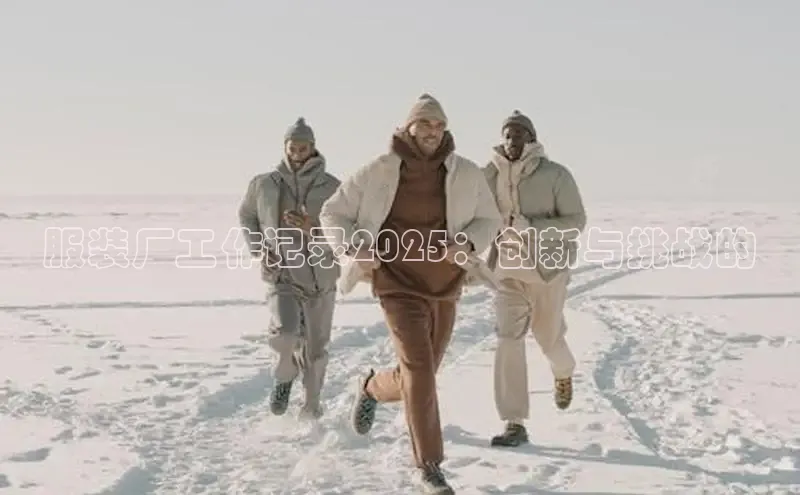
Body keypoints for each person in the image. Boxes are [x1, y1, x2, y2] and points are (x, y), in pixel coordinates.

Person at [318, 94, 502, 493]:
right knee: (419, 370)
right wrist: (353, 246)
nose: (433, 132)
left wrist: (467, 242)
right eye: (425, 124)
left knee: (420, 375)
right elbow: (332, 213)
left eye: (439, 126)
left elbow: (491, 219)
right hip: (396, 282)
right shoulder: (379, 170)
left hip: (445, 284)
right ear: (408, 127)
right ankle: (429, 467)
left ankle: (371, 386)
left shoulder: (466, 172)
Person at [481, 110, 587, 447]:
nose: (512, 140)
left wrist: (534, 228)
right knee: (507, 339)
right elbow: (468, 208)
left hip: (548, 270)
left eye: (519, 134)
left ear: (531, 138)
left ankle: (563, 372)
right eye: (507, 134)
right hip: (507, 271)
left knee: (548, 338)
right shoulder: (488, 175)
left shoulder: (556, 174)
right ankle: (514, 422)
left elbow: (576, 222)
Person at [238, 117, 342, 420]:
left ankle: (311, 407)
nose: (297, 153)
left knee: (316, 350)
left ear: (313, 148)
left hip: (320, 277)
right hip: (281, 273)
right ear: (285, 147)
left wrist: (313, 229)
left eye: (303, 148)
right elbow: (247, 215)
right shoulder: (264, 184)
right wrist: (260, 248)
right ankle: (285, 374)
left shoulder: (333, 187)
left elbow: (345, 231)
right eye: (292, 147)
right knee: (285, 335)